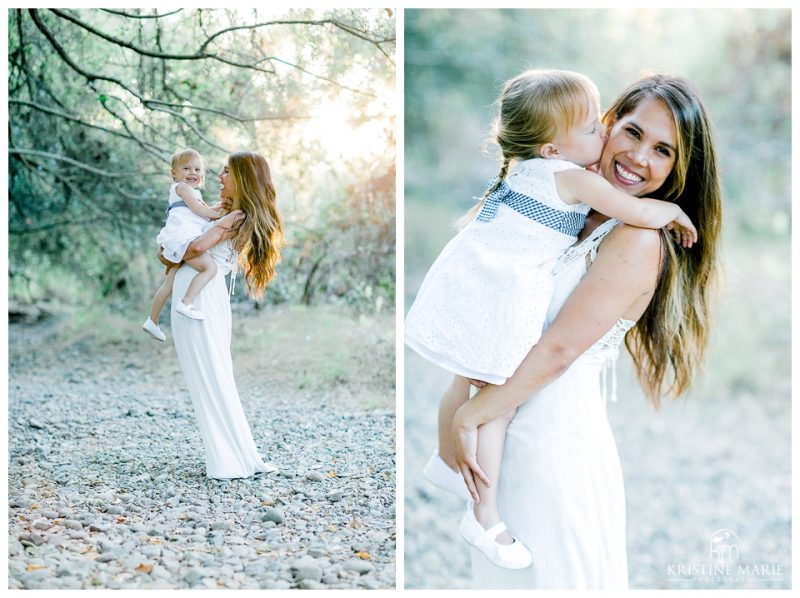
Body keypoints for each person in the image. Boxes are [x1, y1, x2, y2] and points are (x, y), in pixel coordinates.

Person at [404, 69, 698, 570]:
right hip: (501, 437)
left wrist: (473, 414)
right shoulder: (558, 207)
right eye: (632, 132)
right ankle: (464, 486)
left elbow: (560, 349)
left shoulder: (635, 235)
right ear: (608, 125)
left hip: (552, 444)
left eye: (663, 150)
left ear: (679, 166)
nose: (639, 157)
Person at [158, 151, 286, 479]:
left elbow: (196, 249)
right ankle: (228, 453)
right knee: (210, 375)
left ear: (242, 179)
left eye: (227, 173)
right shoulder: (222, 213)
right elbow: (173, 254)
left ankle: (232, 457)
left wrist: (178, 249)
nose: (219, 177)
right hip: (198, 296)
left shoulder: (239, 216)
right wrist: (175, 250)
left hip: (201, 299)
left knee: (213, 374)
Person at [143, 148, 227, 342]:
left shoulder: (192, 193)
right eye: (187, 168)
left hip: (179, 238)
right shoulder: (182, 188)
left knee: (169, 284)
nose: (193, 173)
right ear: (174, 173)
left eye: (197, 169)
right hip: (183, 237)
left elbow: (203, 209)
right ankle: (187, 302)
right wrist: (222, 215)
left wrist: (219, 207)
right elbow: (199, 210)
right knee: (210, 267)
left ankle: (152, 321)